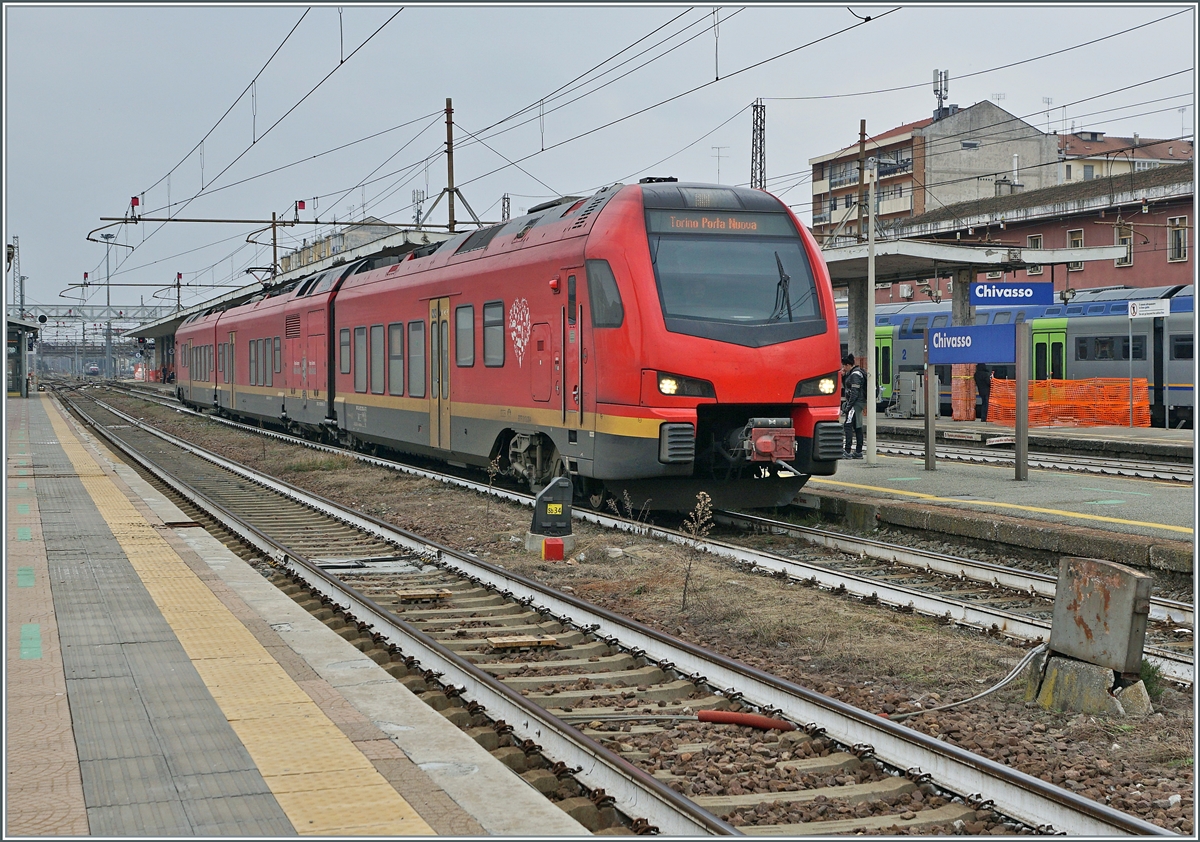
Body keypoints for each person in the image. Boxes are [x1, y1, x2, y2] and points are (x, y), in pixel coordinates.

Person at [840, 352, 866, 459]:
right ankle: (858, 451)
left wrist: (848, 407)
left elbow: (854, 392)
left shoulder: (855, 375)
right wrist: (843, 377)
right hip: (858, 403)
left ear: (848, 365)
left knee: (848, 425)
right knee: (857, 426)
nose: (843, 367)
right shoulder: (854, 373)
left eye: (844, 365)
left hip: (855, 403)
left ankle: (847, 450)